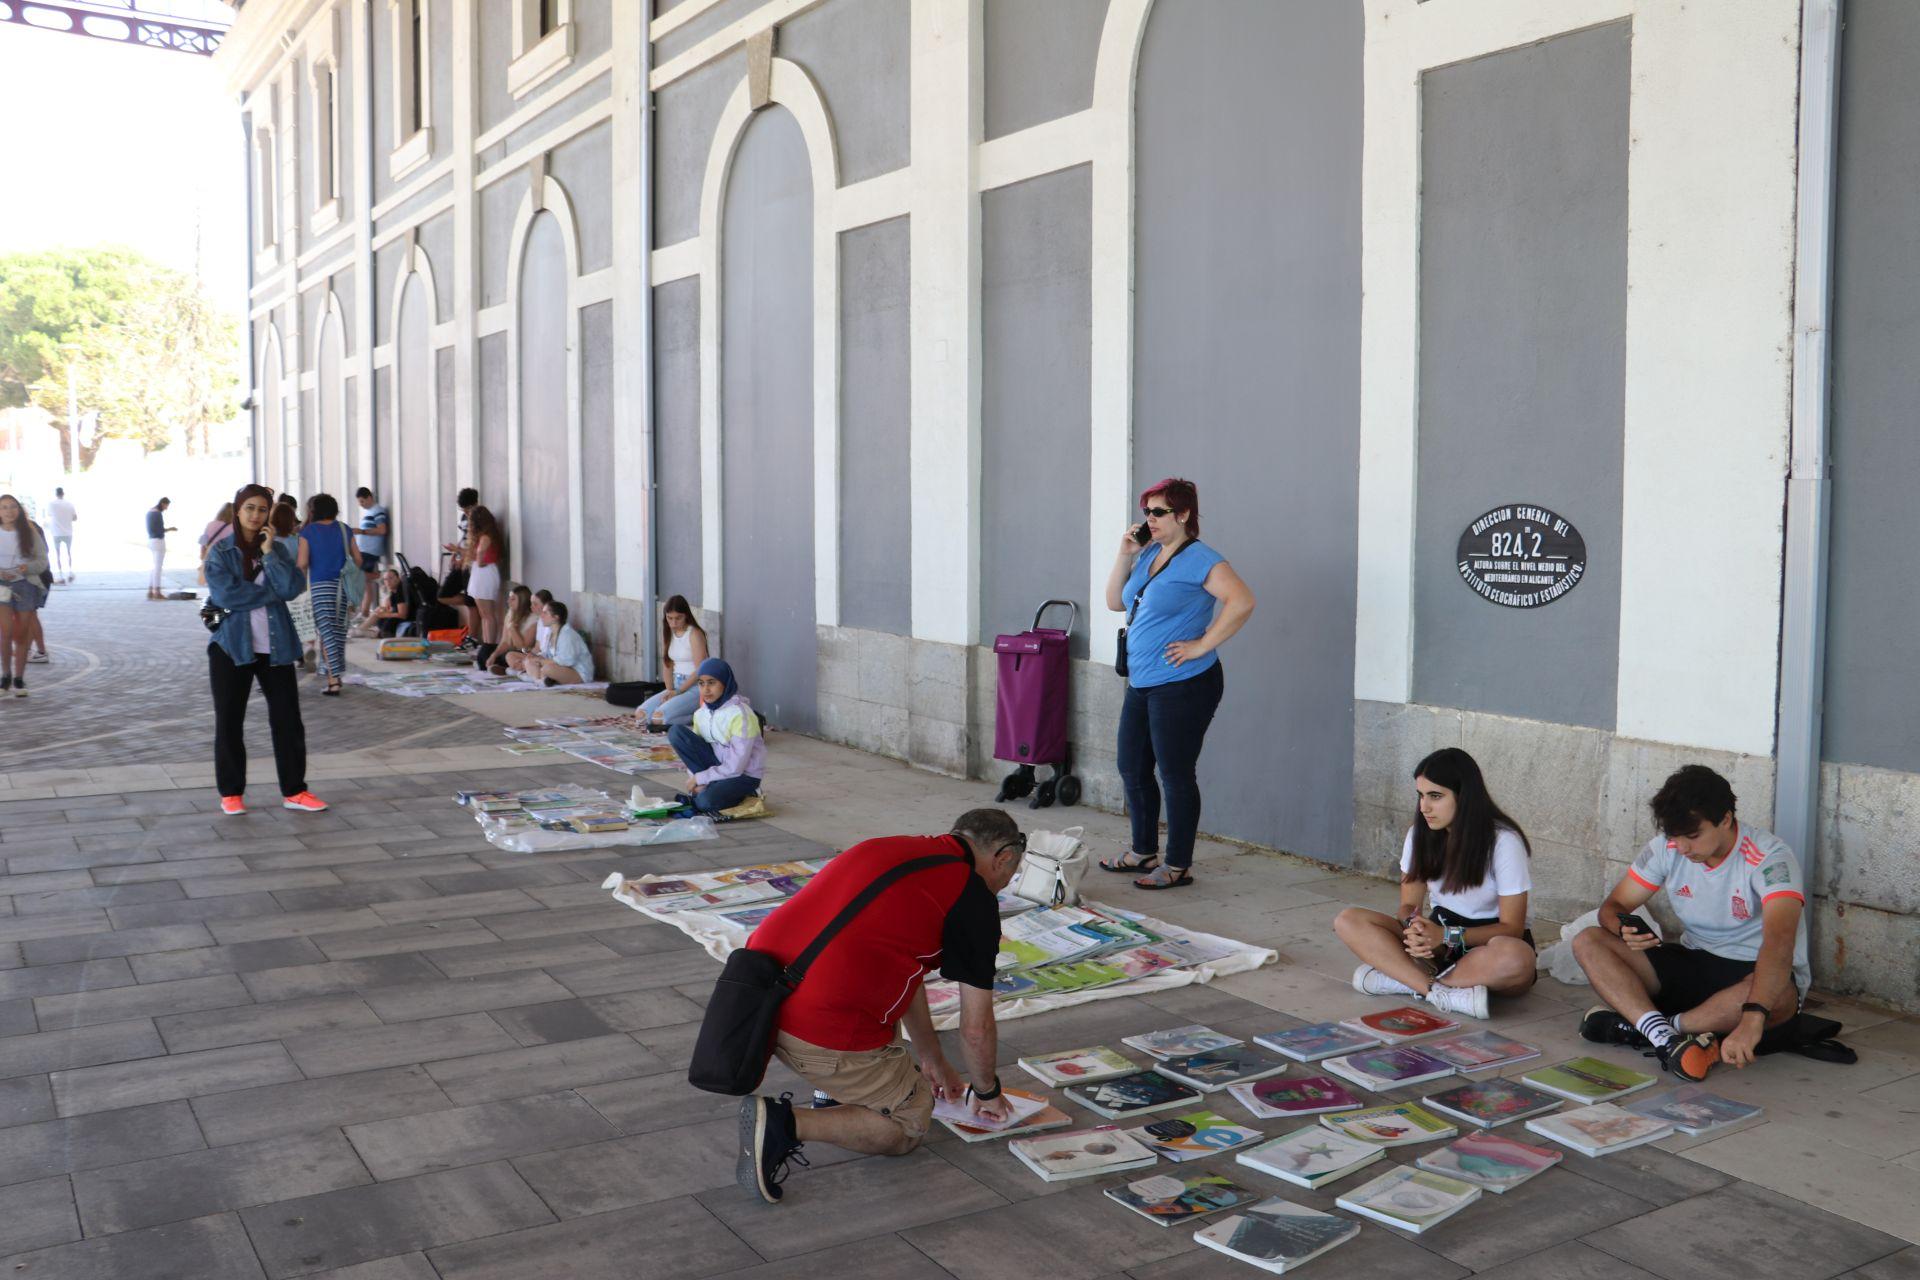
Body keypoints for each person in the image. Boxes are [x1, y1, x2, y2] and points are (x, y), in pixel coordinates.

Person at [734, 807, 1027, 1203]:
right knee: (908, 1124)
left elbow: (907, 974)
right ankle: (785, 1123)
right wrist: (987, 1091)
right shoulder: (972, 898)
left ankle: (832, 1090)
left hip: (756, 1001)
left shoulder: (891, 848)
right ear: (1004, 857)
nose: (1005, 883)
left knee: (877, 987)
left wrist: (933, 1060)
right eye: (1010, 874)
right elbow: (976, 1027)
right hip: (813, 1026)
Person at [1572, 765, 1809, 1082]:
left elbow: (1779, 944)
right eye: (1674, 836)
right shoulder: (1666, 848)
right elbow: (1613, 907)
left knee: (1779, 999)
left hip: (1751, 970)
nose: (1682, 848)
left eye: (1693, 836)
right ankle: (1668, 1036)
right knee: (1588, 940)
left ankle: (1654, 1028)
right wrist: (1622, 928)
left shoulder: (1771, 859)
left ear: (1725, 820)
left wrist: (1752, 1020)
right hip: (1692, 959)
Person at [1097, 478, 1256, 890]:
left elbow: (1242, 601)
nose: (1149, 519)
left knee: (1174, 773)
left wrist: (1203, 644)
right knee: (1131, 766)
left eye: (1158, 512)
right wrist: (1123, 553)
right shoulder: (1149, 551)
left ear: (1183, 514)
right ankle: (1142, 851)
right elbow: (1115, 602)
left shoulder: (1202, 559)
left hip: (1184, 684)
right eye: (1146, 511)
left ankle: (1178, 864)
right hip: (1143, 680)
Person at [1333, 747, 1537, 1021]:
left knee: (1517, 959)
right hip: (1437, 943)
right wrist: (1414, 928)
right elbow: (1408, 905)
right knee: (1349, 920)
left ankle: (1405, 980)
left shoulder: (1503, 841)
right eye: (1421, 795)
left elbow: (1512, 928)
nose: (1424, 807)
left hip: (1487, 943)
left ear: (1464, 797)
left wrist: (1447, 935)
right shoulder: (1420, 833)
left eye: (1436, 796)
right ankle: (1436, 990)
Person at [202, 484, 329, 816]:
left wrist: (270, 553)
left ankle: (295, 791)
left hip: (276, 647)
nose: (256, 515)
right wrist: (271, 594)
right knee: (229, 721)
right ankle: (231, 792)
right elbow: (228, 597)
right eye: (250, 508)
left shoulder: (277, 550)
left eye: (262, 510)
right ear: (237, 510)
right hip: (231, 646)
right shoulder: (221, 552)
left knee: (288, 720)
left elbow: (291, 587)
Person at [667, 658, 765, 815]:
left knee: (705, 802)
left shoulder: (741, 715)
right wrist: (697, 779)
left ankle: (748, 793)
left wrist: (700, 779)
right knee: (676, 732)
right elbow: (695, 753)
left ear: (725, 683)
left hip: (743, 776)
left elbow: (736, 767)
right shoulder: (701, 713)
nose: (706, 689)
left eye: (711, 683)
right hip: (716, 768)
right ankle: (712, 788)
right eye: (701, 683)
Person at [296, 494, 354, 696]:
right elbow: (359, 559)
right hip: (343, 586)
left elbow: (302, 563)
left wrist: (298, 584)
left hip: (320, 586)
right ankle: (333, 673)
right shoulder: (344, 529)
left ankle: (334, 679)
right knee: (338, 632)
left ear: (313, 511)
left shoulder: (308, 531)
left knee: (326, 632)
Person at [635, 595, 710, 728]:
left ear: (686, 615)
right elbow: (667, 664)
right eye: (670, 618)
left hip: (694, 687)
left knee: (659, 719)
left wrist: (679, 691)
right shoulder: (669, 633)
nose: (673, 623)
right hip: (676, 685)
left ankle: (697, 717)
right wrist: (670, 691)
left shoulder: (694, 634)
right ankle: (680, 714)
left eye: (678, 618)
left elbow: (701, 669)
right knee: (641, 715)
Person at [0, 494, 49, 697]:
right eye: (4, 507)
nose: (8, 511)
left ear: (18, 510)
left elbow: (42, 561)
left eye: (12, 507)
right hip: (2, 586)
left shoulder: (30, 531)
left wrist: (25, 567)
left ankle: (19, 679)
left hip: (26, 585)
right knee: (5, 633)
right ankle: (5, 676)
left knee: (21, 634)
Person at [511, 597, 593, 686]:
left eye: (545, 613)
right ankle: (539, 679)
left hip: (579, 673)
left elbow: (566, 662)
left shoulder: (567, 635)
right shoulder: (551, 633)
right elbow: (547, 655)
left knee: (547, 669)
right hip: (559, 668)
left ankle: (538, 678)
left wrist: (540, 661)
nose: (541, 615)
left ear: (556, 617)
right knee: (529, 661)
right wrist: (534, 657)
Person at [437, 487, 480, 641]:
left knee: (471, 604)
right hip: (462, 560)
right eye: (464, 510)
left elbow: (475, 544)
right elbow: (464, 538)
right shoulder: (464, 518)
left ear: (475, 504)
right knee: (442, 595)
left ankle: (473, 638)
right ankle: (472, 601)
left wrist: (461, 555)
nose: (466, 513)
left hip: (471, 564)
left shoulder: (480, 518)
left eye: (468, 509)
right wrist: (455, 554)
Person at [464, 504, 504, 668]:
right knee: (485, 613)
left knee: (487, 614)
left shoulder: (485, 536)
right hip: (485, 572)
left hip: (484, 572)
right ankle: (488, 645)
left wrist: (479, 562)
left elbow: (480, 554)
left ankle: (489, 645)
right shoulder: (489, 534)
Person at [485, 584, 538, 673]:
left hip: (523, 653)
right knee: (486, 652)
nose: (508, 601)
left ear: (522, 601)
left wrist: (513, 629)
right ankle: (508, 669)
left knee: (507, 656)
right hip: (511, 651)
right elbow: (505, 642)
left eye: (513, 599)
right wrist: (493, 655)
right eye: (509, 598)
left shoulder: (533, 619)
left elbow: (522, 647)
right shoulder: (510, 614)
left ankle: (510, 669)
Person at [352, 487, 389, 609]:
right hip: (364, 550)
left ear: (369, 497)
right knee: (366, 584)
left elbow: (382, 529)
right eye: (359, 502)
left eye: (362, 501)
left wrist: (361, 531)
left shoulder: (377, 511)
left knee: (358, 575)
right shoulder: (370, 512)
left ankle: (381, 576)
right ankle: (365, 612)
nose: (360, 504)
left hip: (370, 551)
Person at [353, 569, 410, 639]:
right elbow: (392, 609)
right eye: (385, 579)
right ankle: (361, 630)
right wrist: (384, 610)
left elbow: (402, 615)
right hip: (396, 618)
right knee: (380, 610)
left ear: (398, 578)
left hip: (405, 619)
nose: (388, 581)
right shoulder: (394, 591)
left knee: (382, 616)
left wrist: (384, 614)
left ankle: (362, 630)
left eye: (390, 578)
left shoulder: (400, 592)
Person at [145, 497, 177, 599]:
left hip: (150, 540)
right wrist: (170, 529)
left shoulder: (149, 512)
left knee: (154, 567)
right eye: (166, 506)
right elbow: (160, 530)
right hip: (158, 541)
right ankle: (157, 592)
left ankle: (150, 591)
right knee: (158, 567)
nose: (166, 508)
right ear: (163, 503)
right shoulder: (157, 514)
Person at [46, 487, 76, 582]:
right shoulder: (70, 504)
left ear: (56, 494)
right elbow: (75, 518)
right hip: (68, 532)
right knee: (69, 552)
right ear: (63, 493)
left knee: (58, 554)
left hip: (56, 532)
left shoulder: (51, 504)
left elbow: (50, 514)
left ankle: (60, 574)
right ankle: (70, 572)